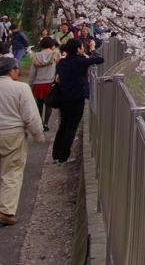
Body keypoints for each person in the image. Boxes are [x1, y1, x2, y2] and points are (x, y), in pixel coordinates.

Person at [0, 56, 45, 225]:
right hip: (12, 134)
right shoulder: (21, 88)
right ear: (11, 71)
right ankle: (6, 210)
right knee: (11, 172)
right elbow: (30, 115)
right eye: (17, 69)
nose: (18, 72)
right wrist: (38, 135)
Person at [52, 38, 104, 164]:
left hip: (63, 97)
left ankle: (56, 154)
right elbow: (100, 59)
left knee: (63, 125)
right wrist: (92, 49)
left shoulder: (62, 62)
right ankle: (64, 156)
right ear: (77, 49)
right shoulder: (80, 61)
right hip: (77, 98)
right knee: (71, 126)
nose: (82, 49)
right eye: (81, 47)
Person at [28, 37, 60, 131]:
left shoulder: (35, 56)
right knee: (49, 105)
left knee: (39, 104)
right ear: (51, 45)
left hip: (38, 83)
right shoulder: (55, 55)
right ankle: (46, 124)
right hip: (50, 83)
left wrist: (30, 83)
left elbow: (32, 72)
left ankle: (40, 123)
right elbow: (58, 69)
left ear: (41, 45)